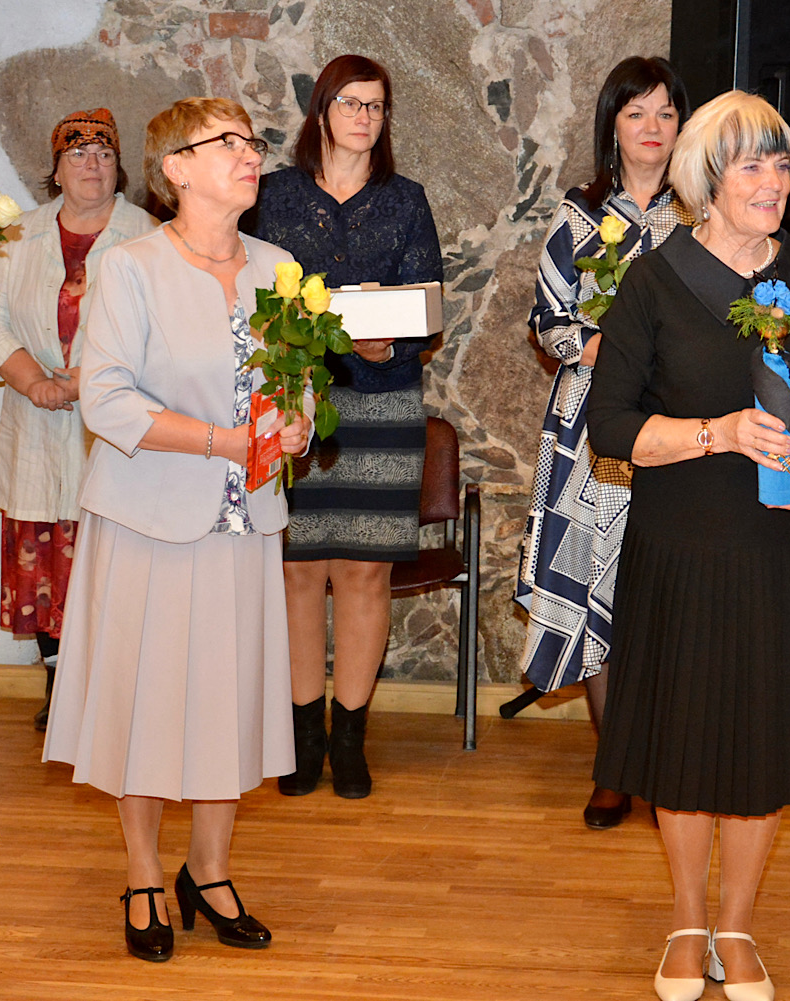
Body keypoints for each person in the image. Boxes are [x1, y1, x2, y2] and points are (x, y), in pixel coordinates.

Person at [586, 91, 790, 1001]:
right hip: (683, 548)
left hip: (787, 551)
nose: (774, 181)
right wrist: (717, 433)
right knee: (684, 742)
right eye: (753, 164)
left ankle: (738, 927)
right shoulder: (653, 283)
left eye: (782, 164)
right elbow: (611, 427)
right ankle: (686, 921)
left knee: (762, 744)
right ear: (707, 181)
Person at [42, 97, 311, 962]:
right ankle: (144, 873)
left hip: (245, 520)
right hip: (149, 518)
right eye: (227, 142)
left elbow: (296, 383)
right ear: (176, 169)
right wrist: (221, 441)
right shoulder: (130, 268)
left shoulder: (279, 268)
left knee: (229, 696)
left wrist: (297, 423)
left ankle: (212, 869)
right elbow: (106, 399)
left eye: (251, 140)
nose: (249, 153)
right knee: (147, 698)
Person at [249, 54, 444, 799]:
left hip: (384, 401)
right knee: (297, 571)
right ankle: (302, 738)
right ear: (322, 110)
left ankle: (350, 737)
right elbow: (247, 295)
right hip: (293, 403)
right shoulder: (272, 196)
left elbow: (427, 306)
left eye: (376, 105)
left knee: (365, 572)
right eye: (351, 103)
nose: (364, 117)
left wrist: (390, 344)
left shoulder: (406, 200)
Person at [514, 56, 691, 829]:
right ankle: (615, 765)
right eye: (636, 112)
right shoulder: (579, 214)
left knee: (666, 595)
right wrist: (606, 349)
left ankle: (669, 766)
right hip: (591, 426)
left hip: (681, 426)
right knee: (595, 589)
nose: (653, 127)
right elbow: (547, 321)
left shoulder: (703, 215)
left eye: (666, 114)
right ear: (612, 125)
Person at [0, 108, 155, 729]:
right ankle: (59, 687)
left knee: (106, 551)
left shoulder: (148, 235)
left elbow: (159, 327)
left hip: (113, 425)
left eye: (104, 154)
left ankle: (107, 691)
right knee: (42, 555)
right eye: (77, 154)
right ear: (55, 169)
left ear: (118, 166)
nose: (91, 164)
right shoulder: (16, 235)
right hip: (33, 419)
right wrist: (31, 379)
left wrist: (89, 379)